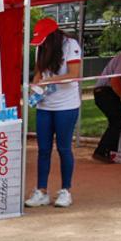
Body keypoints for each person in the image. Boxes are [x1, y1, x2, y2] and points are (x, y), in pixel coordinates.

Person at [25, 18, 82, 209]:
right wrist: (34, 89)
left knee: (64, 148)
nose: (41, 43)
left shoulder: (70, 45)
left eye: (43, 39)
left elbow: (74, 74)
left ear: (53, 36)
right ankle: (41, 191)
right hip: (45, 106)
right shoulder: (41, 48)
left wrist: (51, 80)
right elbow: (38, 74)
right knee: (43, 149)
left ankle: (66, 190)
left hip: (66, 105)